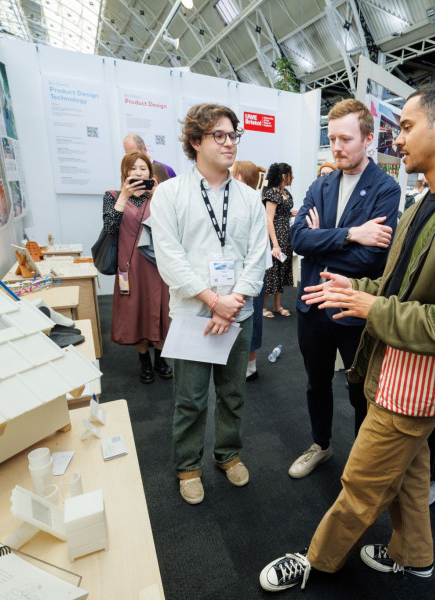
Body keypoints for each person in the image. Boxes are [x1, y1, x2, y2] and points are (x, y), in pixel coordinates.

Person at [259, 83, 435, 593]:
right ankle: (415, 555)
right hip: (394, 366)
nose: (395, 140)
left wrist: (371, 304)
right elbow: (392, 281)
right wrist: (354, 286)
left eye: (404, 127)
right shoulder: (429, 198)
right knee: (410, 474)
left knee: (360, 485)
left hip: (416, 381)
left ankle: (317, 560)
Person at [150, 104, 267, 505]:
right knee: (191, 398)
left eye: (234, 134)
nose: (230, 142)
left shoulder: (251, 199)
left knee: (233, 394)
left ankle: (228, 454)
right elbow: (169, 257)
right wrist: (213, 300)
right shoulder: (169, 193)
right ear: (196, 142)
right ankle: (188, 466)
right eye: (220, 135)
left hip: (239, 312)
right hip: (192, 313)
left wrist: (232, 302)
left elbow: (258, 255)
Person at [287, 99, 400, 479]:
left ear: (368, 139)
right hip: (312, 308)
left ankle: (360, 461)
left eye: (346, 139)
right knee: (315, 382)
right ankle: (320, 444)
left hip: (353, 309)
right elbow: (298, 239)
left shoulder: (386, 189)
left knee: (359, 391)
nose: (337, 147)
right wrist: (352, 233)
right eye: (332, 138)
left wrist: (323, 239)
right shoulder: (321, 184)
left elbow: (370, 260)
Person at [102, 151, 171, 384]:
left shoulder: (160, 196)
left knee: (161, 312)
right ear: (125, 172)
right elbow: (110, 228)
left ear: (150, 174)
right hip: (129, 268)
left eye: (143, 169)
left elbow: (175, 227)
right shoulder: (112, 196)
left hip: (158, 266)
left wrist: (159, 195)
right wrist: (123, 197)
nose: (138, 173)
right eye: (133, 169)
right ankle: (144, 360)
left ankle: (160, 358)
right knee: (136, 313)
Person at [230, 160, 269, 381]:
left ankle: (250, 366)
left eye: (233, 174)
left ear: (241, 178)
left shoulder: (253, 203)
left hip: (253, 274)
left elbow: (256, 249)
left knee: (251, 319)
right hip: (239, 273)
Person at [261, 162, 294, 318]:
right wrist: (275, 244)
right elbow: (269, 219)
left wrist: (292, 213)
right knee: (272, 272)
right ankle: (262, 307)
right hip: (276, 238)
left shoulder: (285, 192)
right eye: (290, 174)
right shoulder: (272, 193)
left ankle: (277, 305)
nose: (292, 176)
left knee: (282, 271)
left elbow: (283, 211)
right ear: (283, 176)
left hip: (286, 237)